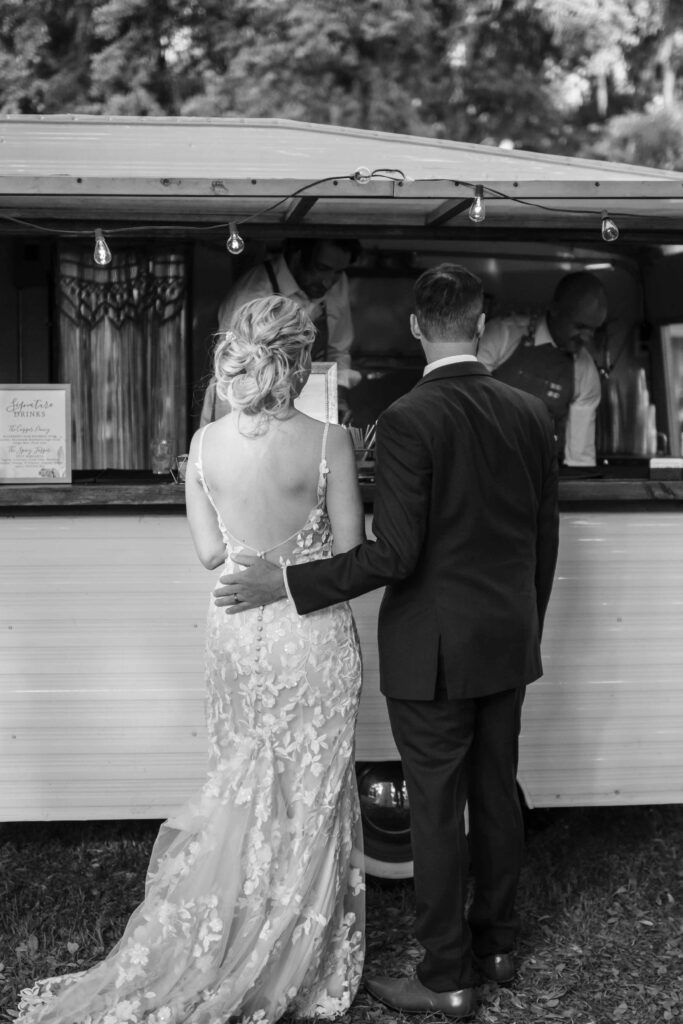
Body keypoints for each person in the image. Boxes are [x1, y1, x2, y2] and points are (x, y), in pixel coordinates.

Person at [216, 264, 560, 1020]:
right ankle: (497, 946)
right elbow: (544, 540)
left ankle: (446, 976)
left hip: (431, 649)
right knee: (495, 794)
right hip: (507, 638)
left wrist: (291, 585)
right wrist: (522, 620)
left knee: (436, 808)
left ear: (414, 327)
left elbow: (394, 554)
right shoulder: (531, 414)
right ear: (478, 322)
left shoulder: (408, 419)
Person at [16, 296, 366, 1024]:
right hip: (312, 633)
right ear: (301, 361)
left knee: (244, 782)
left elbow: (211, 554)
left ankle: (230, 933)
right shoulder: (332, 439)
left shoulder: (203, 446)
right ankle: (292, 955)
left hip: (237, 626)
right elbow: (349, 554)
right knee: (310, 793)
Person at [200, 238, 362, 426]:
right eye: (321, 268)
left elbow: (338, 350)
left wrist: (338, 398)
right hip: (245, 407)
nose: (328, 281)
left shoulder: (336, 282)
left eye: (338, 272)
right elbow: (234, 372)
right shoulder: (253, 295)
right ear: (297, 256)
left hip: (306, 408)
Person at [477, 271, 607, 466]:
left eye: (593, 329)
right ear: (554, 309)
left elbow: (580, 458)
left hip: (538, 475)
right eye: (580, 326)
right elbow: (465, 401)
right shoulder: (501, 335)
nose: (587, 337)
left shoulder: (585, 371)